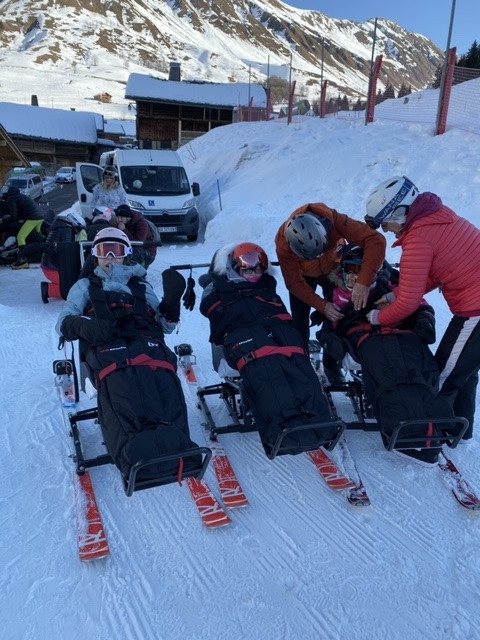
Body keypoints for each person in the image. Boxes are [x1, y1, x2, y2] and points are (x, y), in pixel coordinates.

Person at [55, 227, 202, 482]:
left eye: (117, 250)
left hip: (145, 340)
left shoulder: (140, 285)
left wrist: (171, 304)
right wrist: (84, 325)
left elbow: (164, 326)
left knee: (163, 378)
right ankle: (133, 452)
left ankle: (177, 444)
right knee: (123, 383)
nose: (110, 256)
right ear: (95, 255)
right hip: (106, 343)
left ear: (127, 255)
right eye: (104, 250)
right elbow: (63, 322)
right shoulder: (84, 285)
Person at [364, 175, 480, 443]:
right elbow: (432, 274)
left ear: (400, 213)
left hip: (475, 311)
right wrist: (394, 294)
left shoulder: (418, 238)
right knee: (464, 370)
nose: (387, 230)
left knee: (441, 373)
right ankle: (458, 431)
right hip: (473, 307)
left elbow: (409, 304)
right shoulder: (438, 217)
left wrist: (375, 318)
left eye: (386, 223)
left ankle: (427, 437)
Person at [317, 244, 456, 466]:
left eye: (362, 270)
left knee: (423, 367)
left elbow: (419, 302)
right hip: (364, 337)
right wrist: (333, 346)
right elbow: (329, 326)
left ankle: (433, 421)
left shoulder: (389, 284)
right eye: (350, 270)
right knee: (389, 373)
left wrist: (423, 320)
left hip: (401, 332)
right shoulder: (338, 294)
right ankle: (401, 423)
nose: (354, 277)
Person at [199, 242, 341, 458]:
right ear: (233, 267)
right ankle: (280, 425)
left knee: (296, 359)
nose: (254, 272)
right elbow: (209, 309)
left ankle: (318, 420)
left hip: (274, 329)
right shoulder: (217, 289)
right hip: (242, 334)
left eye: (258, 268)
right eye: (248, 268)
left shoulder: (267, 286)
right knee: (266, 366)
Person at [275, 203, 386, 384]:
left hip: (333, 269)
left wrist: (363, 282)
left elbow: (375, 240)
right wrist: (321, 305)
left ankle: (331, 364)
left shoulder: (335, 221)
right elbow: (294, 283)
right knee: (299, 319)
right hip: (303, 275)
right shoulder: (283, 243)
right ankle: (301, 365)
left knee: (338, 314)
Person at [40, 211, 87, 303]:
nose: (77, 231)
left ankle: (49, 288)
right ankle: (47, 290)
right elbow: (67, 252)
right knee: (68, 286)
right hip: (53, 268)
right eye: (78, 228)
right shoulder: (66, 230)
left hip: (48, 263)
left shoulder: (59, 226)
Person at [1, 186, 46, 268]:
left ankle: (23, 260)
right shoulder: (20, 195)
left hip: (32, 218)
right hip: (40, 217)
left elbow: (14, 215)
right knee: (38, 238)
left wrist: (4, 219)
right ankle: (44, 254)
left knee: (20, 237)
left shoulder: (11, 198)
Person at [114, 203, 156, 269]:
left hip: (147, 251)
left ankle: (140, 273)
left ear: (128, 217)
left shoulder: (142, 224)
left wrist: (124, 230)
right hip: (129, 249)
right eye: (118, 217)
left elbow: (138, 243)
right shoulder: (119, 224)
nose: (119, 219)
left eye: (121, 217)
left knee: (132, 252)